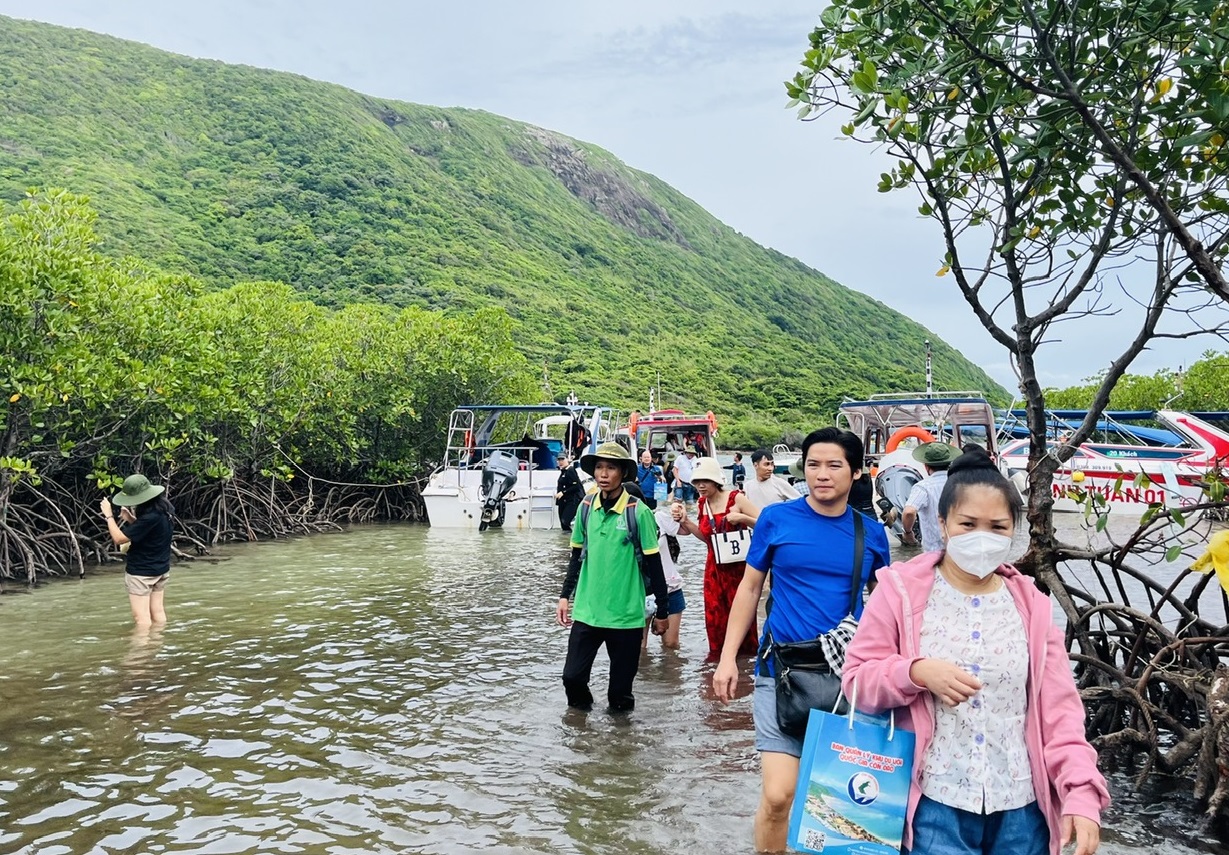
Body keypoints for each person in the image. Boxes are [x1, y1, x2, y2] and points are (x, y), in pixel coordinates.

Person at [842, 447, 1108, 855]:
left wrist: (1081, 793)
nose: (982, 537)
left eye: (997, 527)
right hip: (934, 805)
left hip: (1022, 810)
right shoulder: (898, 592)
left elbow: (1060, 713)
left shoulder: (1031, 606)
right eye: (968, 524)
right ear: (943, 523)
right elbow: (857, 681)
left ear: (1013, 531)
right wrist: (915, 673)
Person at [713, 427, 891, 853]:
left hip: (847, 679)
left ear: (855, 473)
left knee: (841, 798)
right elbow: (750, 590)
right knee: (779, 795)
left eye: (834, 465)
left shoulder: (872, 535)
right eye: (813, 464)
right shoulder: (777, 520)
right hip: (781, 672)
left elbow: (888, 609)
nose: (822, 474)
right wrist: (727, 659)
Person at [556, 442, 669, 712]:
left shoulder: (637, 512)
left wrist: (662, 612)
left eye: (611, 468)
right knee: (572, 678)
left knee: (619, 694)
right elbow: (575, 558)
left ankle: (620, 745)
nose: (603, 474)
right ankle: (582, 736)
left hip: (626, 616)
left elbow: (655, 565)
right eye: (599, 467)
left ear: (622, 473)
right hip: (587, 611)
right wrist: (564, 596)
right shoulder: (584, 507)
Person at [675, 457, 761, 660]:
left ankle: (747, 664)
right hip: (713, 569)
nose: (700, 486)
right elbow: (707, 538)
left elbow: (765, 524)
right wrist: (685, 521)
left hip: (738, 569)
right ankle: (718, 661)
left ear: (716, 481)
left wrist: (742, 519)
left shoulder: (736, 498)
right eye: (696, 482)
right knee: (715, 618)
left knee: (742, 618)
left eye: (705, 481)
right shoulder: (702, 503)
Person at [99, 473, 175, 629]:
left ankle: (140, 652)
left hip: (141, 574)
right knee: (158, 613)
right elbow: (151, 532)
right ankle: (156, 647)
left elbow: (119, 539)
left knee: (142, 620)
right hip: (161, 570)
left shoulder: (149, 517)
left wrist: (108, 516)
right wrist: (130, 519)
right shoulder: (165, 510)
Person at [901, 441, 961, 552]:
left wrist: (908, 532)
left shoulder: (923, 487)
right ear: (949, 463)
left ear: (926, 466)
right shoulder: (961, 484)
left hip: (934, 552)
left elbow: (909, 512)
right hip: (960, 550)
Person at [554, 455, 585, 532]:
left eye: (562, 459)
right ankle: (564, 541)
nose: (560, 462)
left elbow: (576, 486)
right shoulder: (563, 472)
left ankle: (572, 538)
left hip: (572, 500)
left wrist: (563, 492)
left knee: (566, 520)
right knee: (563, 523)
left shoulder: (570, 470)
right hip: (563, 501)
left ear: (567, 460)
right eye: (559, 460)